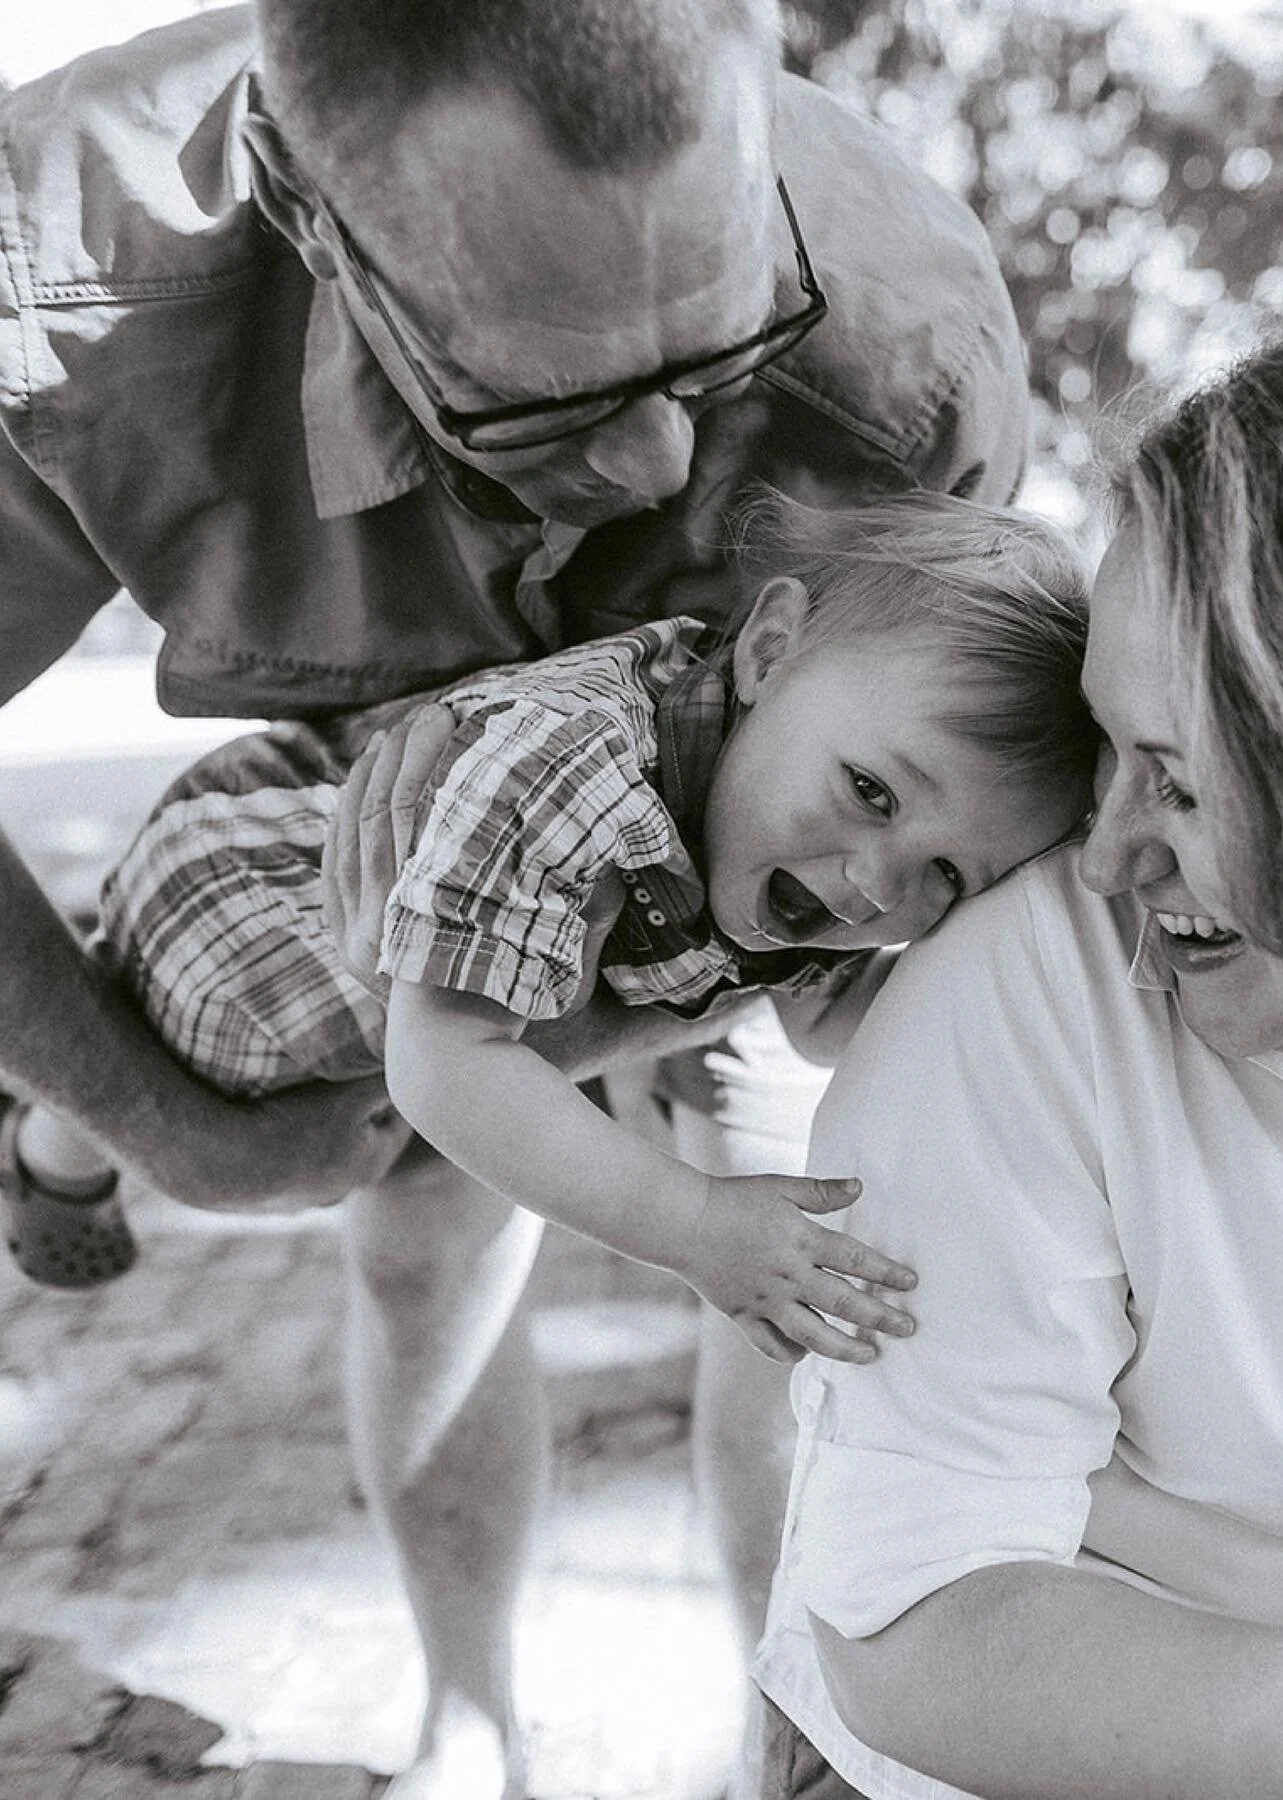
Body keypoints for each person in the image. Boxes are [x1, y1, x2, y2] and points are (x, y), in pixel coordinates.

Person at [0, 2, 1029, 1791]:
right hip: (377, 821)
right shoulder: (56, 276)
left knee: (805, 1260)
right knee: (419, 1241)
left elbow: (946, 765)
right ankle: (470, 1719)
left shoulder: (908, 336)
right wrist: (156, 1121)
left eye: (716, 363)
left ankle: (798, 1734)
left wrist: (753, 1018)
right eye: (556, 401)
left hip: (738, 827)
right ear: (310, 223)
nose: (659, 474)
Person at [748, 288, 1283, 1800]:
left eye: (1178, 786)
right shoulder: (1029, 989)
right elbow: (911, 1611)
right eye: (1107, 755)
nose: (1109, 854)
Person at [15, 494, 1094, 1358]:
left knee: (294, 1098)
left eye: (949, 875)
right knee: (140, 1057)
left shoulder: (798, 844)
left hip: (347, 1021)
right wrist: (696, 1226)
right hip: (230, 910)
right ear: (769, 651)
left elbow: (822, 1022)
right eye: (871, 790)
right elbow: (447, 1068)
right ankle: (46, 1143)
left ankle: (57, 1140)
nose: (874, 884)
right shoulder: (581, 768)